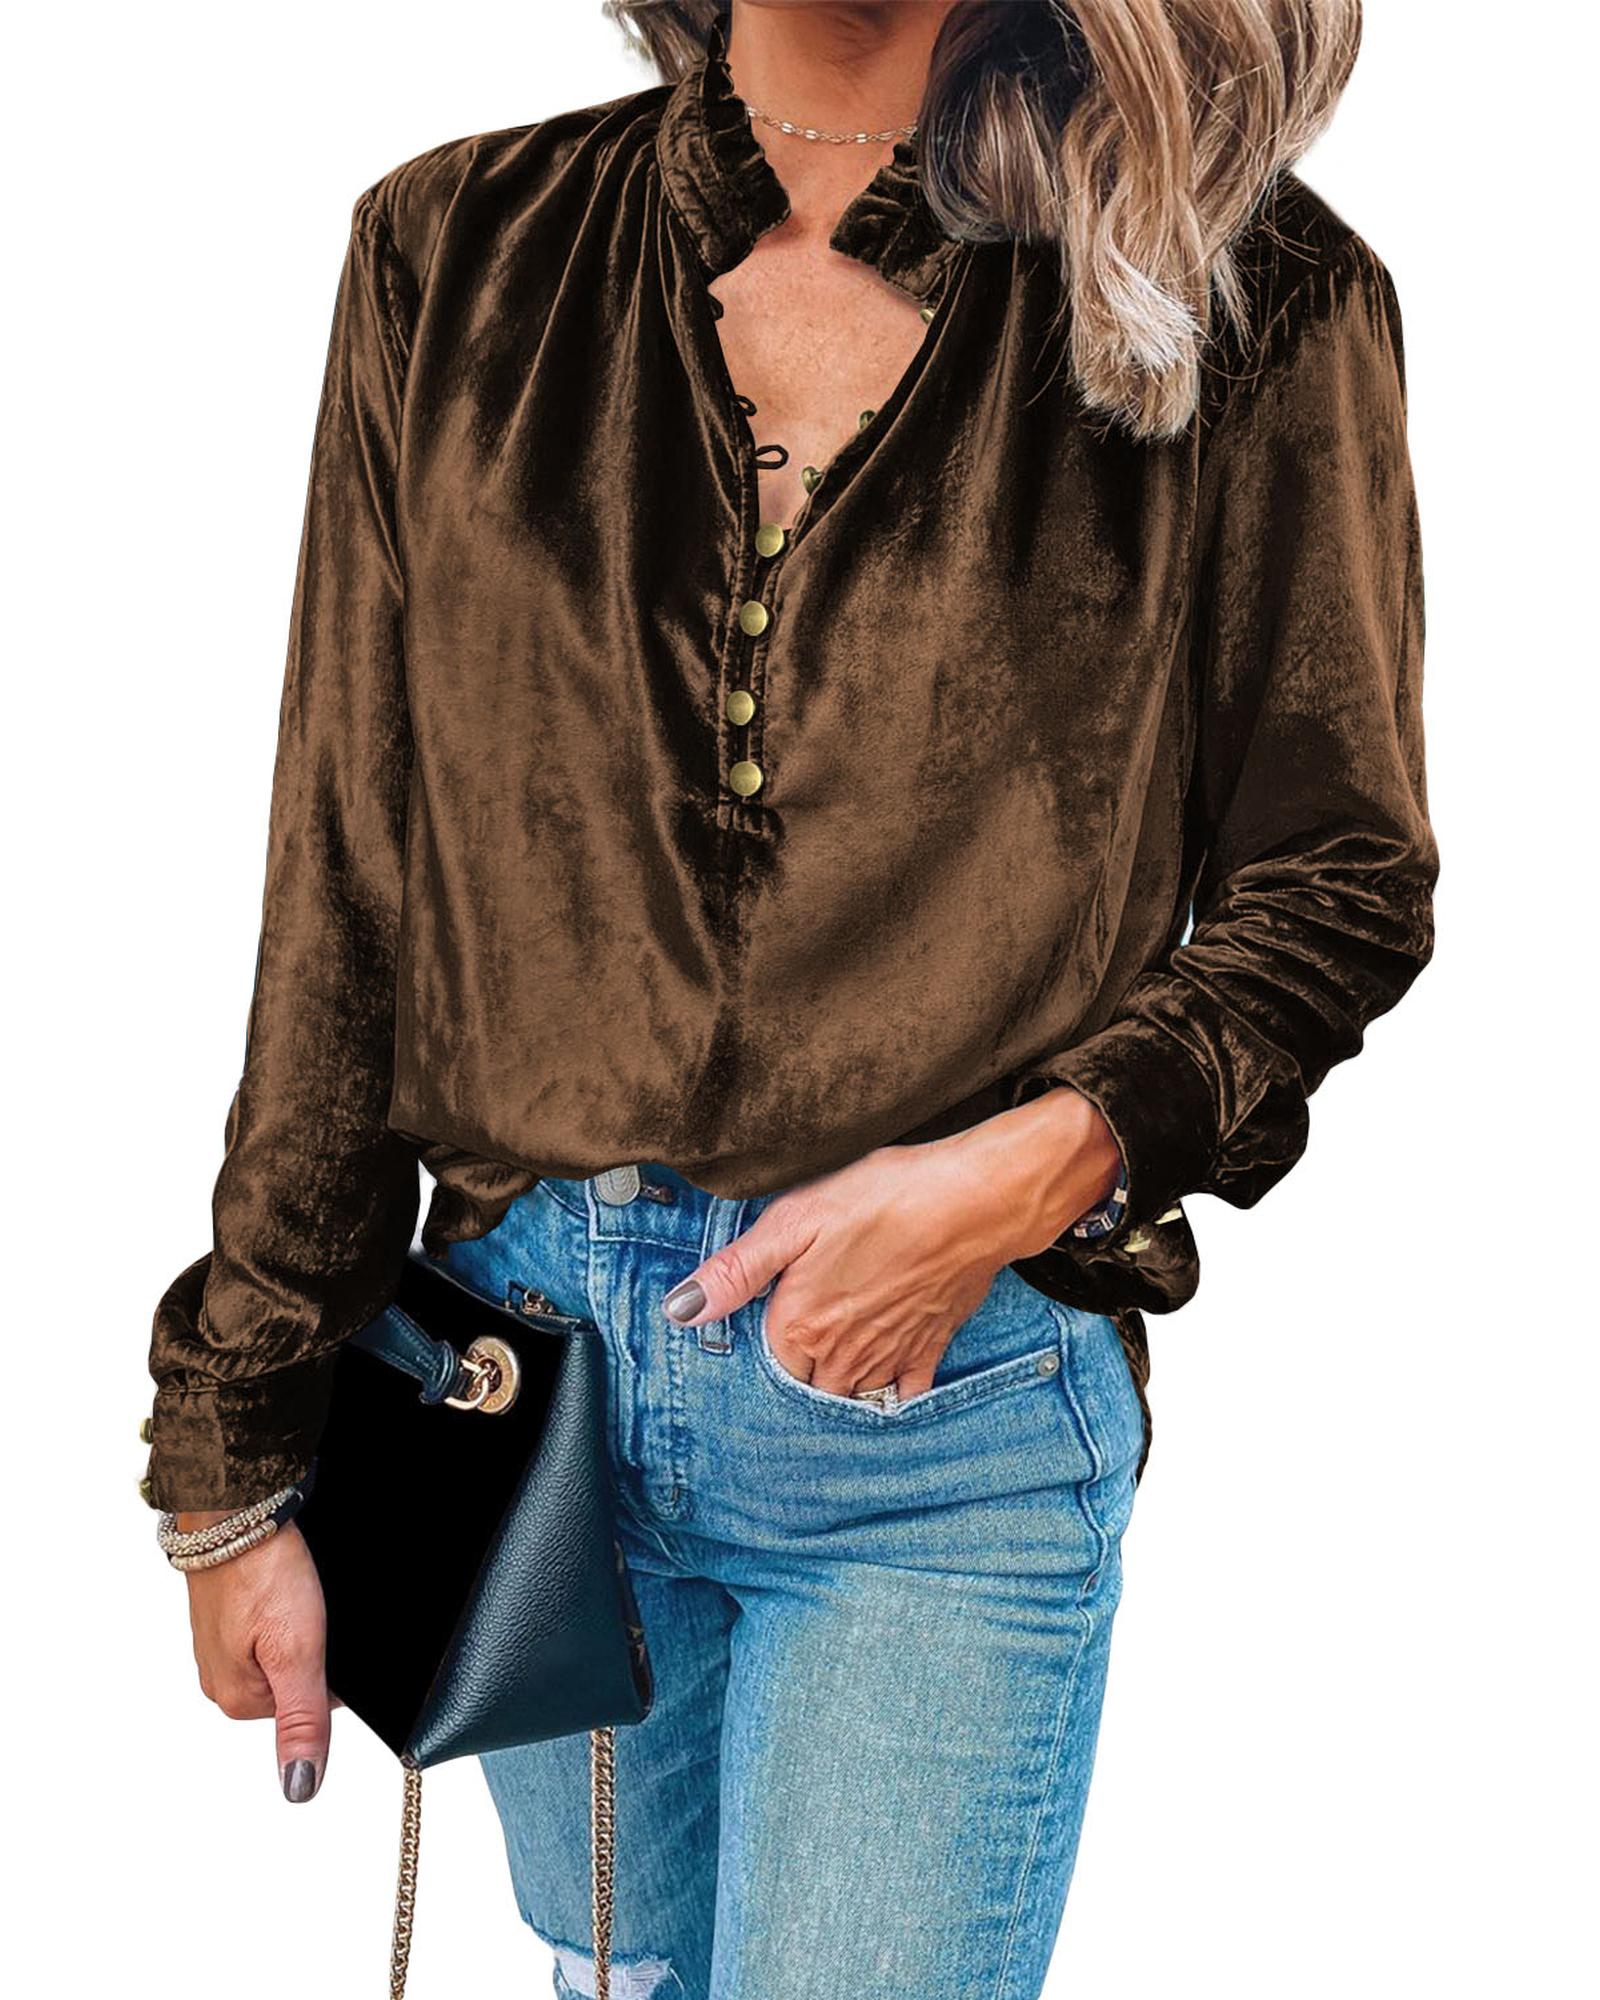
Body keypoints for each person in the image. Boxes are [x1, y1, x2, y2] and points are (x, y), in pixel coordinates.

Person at [142, 2, 1436, 1994]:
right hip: (525, 1390)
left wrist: (1028, 1168)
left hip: (937, 1410)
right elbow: (345, 891)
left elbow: (1336, 878)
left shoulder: (1248, 285)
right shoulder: (455, 247)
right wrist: (235, 1444)